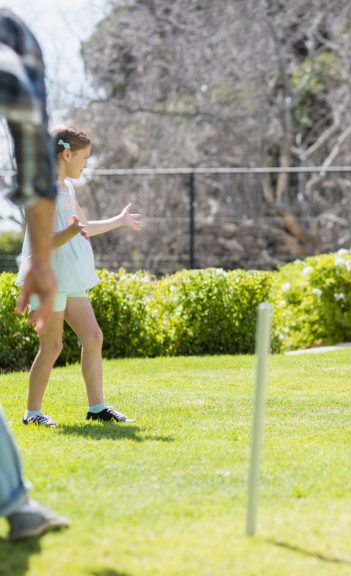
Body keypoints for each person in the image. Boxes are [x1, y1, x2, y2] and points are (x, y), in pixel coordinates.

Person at [16, 125, 142, 427]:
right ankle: (33, 413)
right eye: (84, 158)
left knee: (94, 337)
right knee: (52, 346)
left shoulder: (68, 189)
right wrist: (71, 231)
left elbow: (84, 227)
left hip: (70, 277)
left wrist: (119, 221)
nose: (86, 165)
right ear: (66, 153)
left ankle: (97, 407)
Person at [0, 7, 69, 541]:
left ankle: (16, 503)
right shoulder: (10, 30)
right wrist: (41, 261)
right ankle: (17, 505)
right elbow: (26, 119)